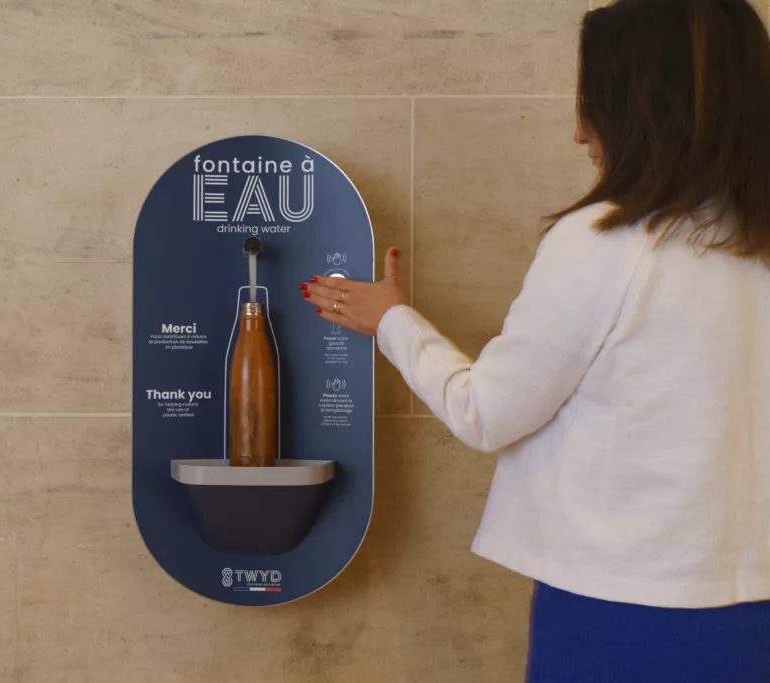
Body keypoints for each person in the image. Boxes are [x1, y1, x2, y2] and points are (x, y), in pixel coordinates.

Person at [299, 0, 770, 680]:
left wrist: (393, 321)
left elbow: (487, 412)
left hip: (625, 615)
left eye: (593, 100)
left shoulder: (607, 243)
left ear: (643, 106)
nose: (579, 132)